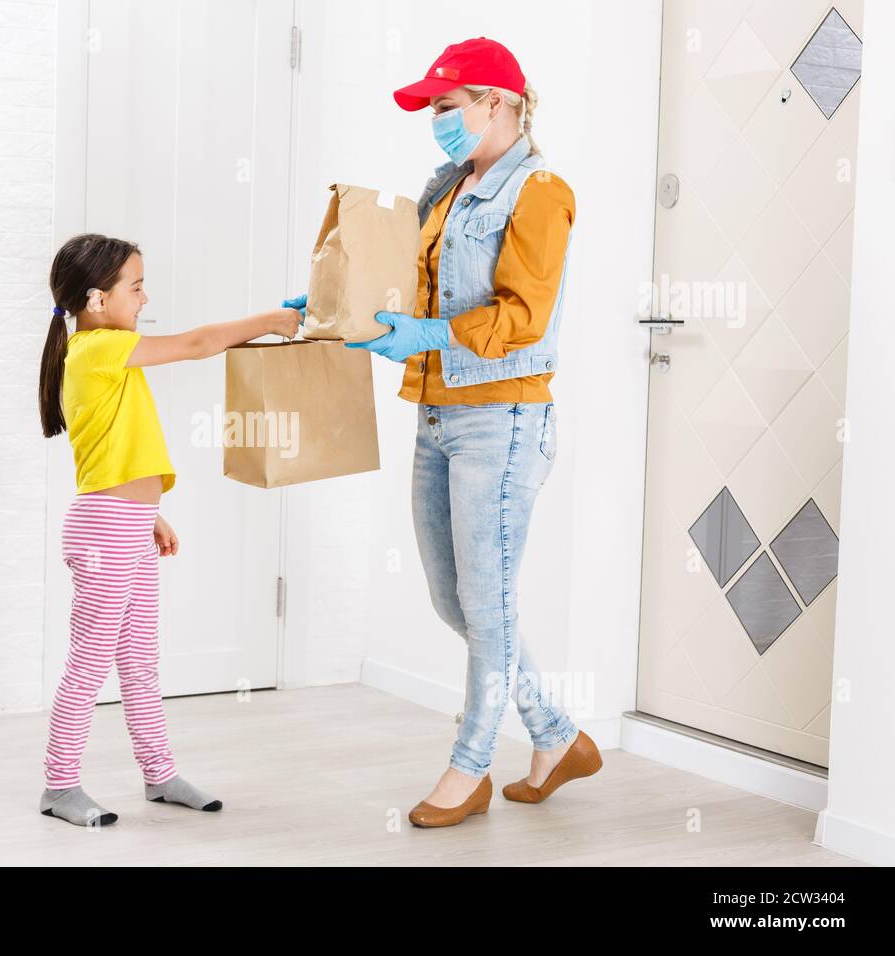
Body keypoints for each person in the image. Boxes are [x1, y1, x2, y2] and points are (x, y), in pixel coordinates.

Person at [284, 37, 601, 828]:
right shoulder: (447, 187)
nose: (436, 121)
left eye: (447, 106)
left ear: (498, 101)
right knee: (457, 600)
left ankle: (469, 768)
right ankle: (557, 737)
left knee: (486, 606)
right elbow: (406, 281)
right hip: (437, 414)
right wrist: (337, 301)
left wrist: (426, 336)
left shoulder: (541, 190)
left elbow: (524, 319)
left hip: (503, 417)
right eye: (432, 109)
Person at [38, 232, 300, 826]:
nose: (144, 298)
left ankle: (159, 775)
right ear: (97, 299)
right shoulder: (96, 348)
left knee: (137, 659)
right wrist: (269, 320)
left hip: (125, 522)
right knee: (91, 658)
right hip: (105, 530)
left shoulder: (109, 350)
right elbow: (197, 344)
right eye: (135, 287)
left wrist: (148, 513)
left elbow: (110, 449)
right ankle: (59, 786)